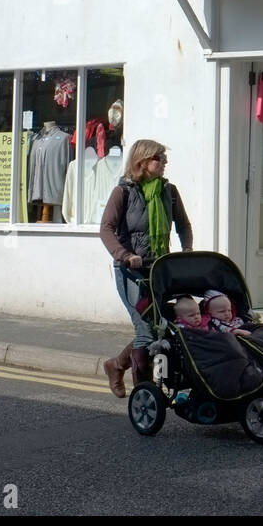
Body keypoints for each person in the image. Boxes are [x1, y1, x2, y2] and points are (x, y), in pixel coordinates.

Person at [99, 140, 193, 397]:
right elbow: (106, 228)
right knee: (145, 330)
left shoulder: (169, 191)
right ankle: (144, 392)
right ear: (142, 162)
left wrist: (187, 250)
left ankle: (116, 365)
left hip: (159, 269)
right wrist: (124, 254)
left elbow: (183, 225)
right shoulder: (124, 192)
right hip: (131, 272)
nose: (164, 163)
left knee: (159, 327)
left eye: (164, 158)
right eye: (159, 159)